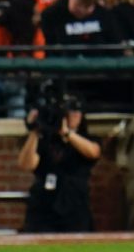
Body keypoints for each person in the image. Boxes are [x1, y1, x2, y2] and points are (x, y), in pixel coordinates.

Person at [18, 88, 101, 232]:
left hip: (74, 205)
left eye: (78, 112)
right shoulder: (45, 140)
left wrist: (67, 133)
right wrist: (35, 131)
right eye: (70, 111)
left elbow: (93, 152)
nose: (75, 115)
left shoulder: (86, 138)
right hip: (44, 205)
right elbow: (26, 164)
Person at [40, 0, 123, 56]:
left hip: (101, 67)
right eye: (78, 5)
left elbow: (116, 48)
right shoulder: (52, 16)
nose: (82, 10)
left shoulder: (105, 16)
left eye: (87, 6)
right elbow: (51, 52)